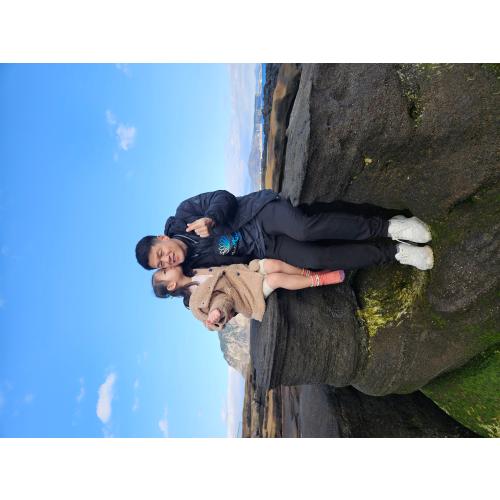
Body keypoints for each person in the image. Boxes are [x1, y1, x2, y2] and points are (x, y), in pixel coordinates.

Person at [135, 189, 434, 275]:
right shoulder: (193, 265)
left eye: (161, 253)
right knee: (315, 260)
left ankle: (390, 227)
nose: (167, 259)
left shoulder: (184, 214)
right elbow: (188, 294)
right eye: (161, 264)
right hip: (264, 249)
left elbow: (222, 197)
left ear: (162, 238)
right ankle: (394, 252)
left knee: (304, 229)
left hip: (259, 214)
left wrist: (211, 218)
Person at [151, 258, 346, 331]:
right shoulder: (194, 303)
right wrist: (217, 312)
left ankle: (308, 273)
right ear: (171, 286)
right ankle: (319, 280)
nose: (168, 265)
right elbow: (221, 301)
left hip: (244, 272)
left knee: (273, 264)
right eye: (164, 271)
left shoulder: (195, 270)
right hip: (246, 295)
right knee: (275, 279)